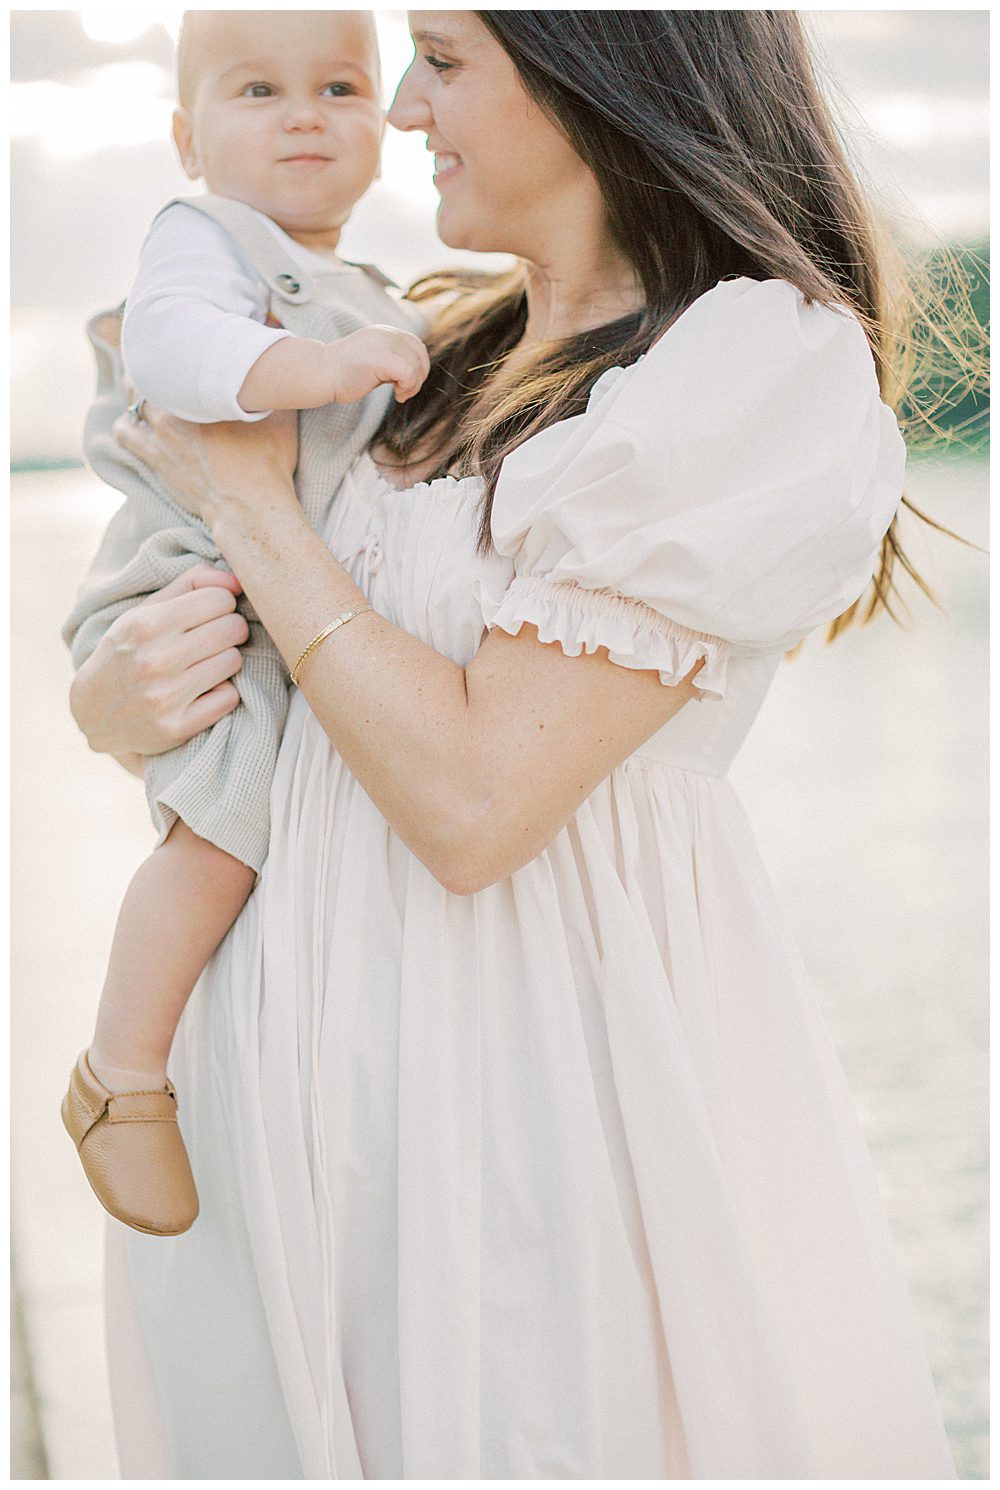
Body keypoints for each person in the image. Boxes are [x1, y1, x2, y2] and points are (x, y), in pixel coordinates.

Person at [68, 10, 958, 1478]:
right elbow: (261, 682)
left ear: (600, 69)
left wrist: (258, 516)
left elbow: (475, 801)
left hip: (520, 1120)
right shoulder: (412, 346)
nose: (405, 108)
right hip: (273, 1122)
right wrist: (116, 697)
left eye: (446, 58)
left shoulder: (743, 368)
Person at [60, 10, 428, 1237]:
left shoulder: (368, 288)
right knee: (220, 840)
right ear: (185, 138)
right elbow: (171, 349)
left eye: (340, 86)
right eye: (259, 90)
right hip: (186, 584)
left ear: (385, 123)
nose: (306, 113)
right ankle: (120, 1072)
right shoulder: (202, 237)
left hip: (268, 589)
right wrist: (325, 370)